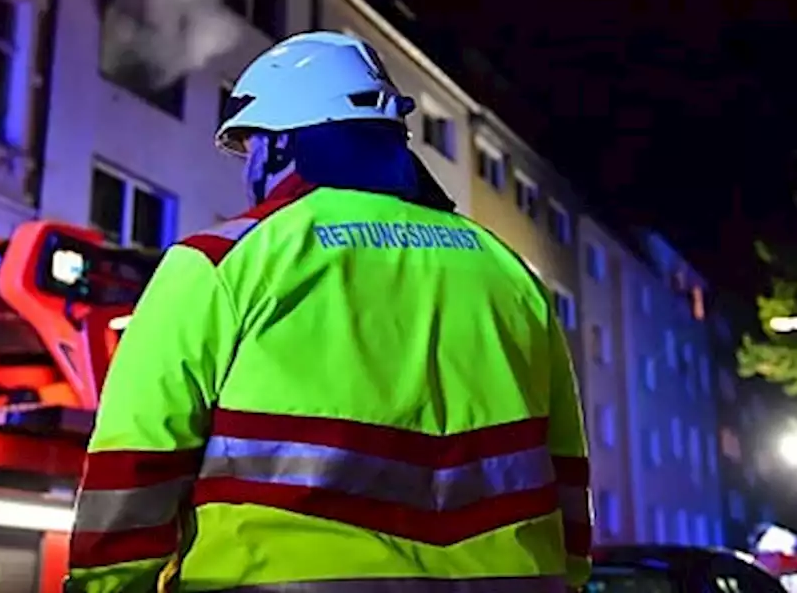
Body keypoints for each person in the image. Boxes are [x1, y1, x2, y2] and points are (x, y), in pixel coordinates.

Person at [66, 32, 592, 593]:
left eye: (250, 149)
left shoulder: (223, 261)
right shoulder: (509, 274)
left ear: (281, 146)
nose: (247, 173)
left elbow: (137, 458)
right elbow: (565, 477)